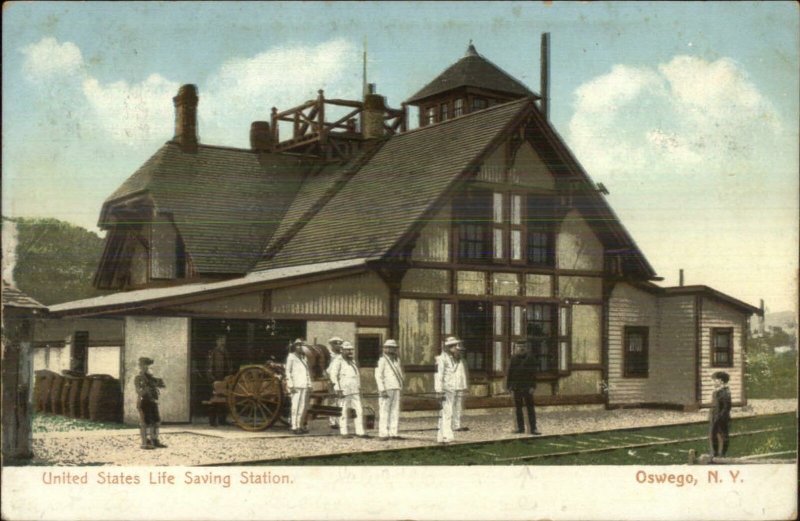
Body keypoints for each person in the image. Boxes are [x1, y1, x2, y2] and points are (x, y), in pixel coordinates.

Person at [434, 336, 468, 444]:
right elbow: (439, 375)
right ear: (448, 347)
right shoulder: (442, 359)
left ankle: (443, 436)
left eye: (456, 346)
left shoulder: (453, 359)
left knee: (447, 412)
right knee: (446, 412)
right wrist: (439, 390)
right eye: (453, 346)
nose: (456, 348)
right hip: (445, 388)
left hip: (452, 388)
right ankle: (445, 435)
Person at [334, 341, 369, 438]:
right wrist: (338, 389)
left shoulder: (353, 361)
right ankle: (344, 432)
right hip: (344, 390)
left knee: (359, 410)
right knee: (343, 411)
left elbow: (357, 376)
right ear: (342, 350)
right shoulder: (338, 361)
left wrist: (359, 387)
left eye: (351, 350)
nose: (350, 352)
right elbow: (333, 375)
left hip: (354, 390)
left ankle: (360, 432)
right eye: (347, 350)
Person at [506, 342, 541, 435]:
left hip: (527, 388)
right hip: (516, 387)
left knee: (530, 408)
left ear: (526, 348)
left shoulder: (531, 359)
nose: (521, 348)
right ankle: (520, 428)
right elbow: (509, 373)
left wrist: (533, 386)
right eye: (519, 346)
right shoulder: (513, 359)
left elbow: (534, 374)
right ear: (516, 348)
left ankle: (533, 429)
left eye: (523, 346)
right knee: (518, 409)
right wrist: (509, 386)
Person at [134, 357, 167, 450]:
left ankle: (154, 440)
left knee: (156, 422)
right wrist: (146, 387)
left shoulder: (153, 379)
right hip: (143, 402)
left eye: (150, 367)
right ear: (141, 367)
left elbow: (162, 386)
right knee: (144, 423)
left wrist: (156, 383)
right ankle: (144, 443)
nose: (148, 368)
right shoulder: (139, 378)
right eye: (146, 366)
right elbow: (139, 392)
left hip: (153, 402)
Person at [375, 339, 404, 440]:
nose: (391, 350)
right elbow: (378, 376)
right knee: (384, 411)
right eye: (389, 348)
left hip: (396, 387)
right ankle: (383, 433)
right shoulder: (381, 360)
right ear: (385, 349)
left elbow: (399, 374)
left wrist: (400, 386)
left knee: (395, 411)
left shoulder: (397, 360)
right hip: (386, 388)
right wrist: (382, 389)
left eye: (393, 348)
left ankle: (393, 433)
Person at [285, 339, 312, 435]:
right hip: (295, 385)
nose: (300, 347)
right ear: (294, 347)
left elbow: (307, 372)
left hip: (303, 385)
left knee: (302, 407)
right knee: (295, 407)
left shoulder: (303, 358)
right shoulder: (291, 357)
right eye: (298, 345)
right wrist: (290, 385)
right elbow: (288, 372)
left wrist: (309, 384)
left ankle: (299, 425)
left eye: (301, 345)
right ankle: (294, 426)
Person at [206, 335, 233, 427]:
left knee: (224, 400)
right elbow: (209, 367)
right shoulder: (213, 352)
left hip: (224, 379)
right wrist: (212, 379)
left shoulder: (226, 352)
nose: (223, 342)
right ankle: (212, 421)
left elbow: (229, 365)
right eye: (221, 340)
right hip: (215, 379)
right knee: (214, 400)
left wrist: (229, 376)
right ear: (217, 341)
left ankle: (222, 420)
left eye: (224, 340)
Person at [709, 371, 732, 458]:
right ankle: (714, 454)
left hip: (722, 418)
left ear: (721, 381)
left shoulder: (725, 392)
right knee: (713, 435)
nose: (713, 382)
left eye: (715, 380)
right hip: (714, 417)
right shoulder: (716, 392)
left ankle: (722, 454)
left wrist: (719, 417)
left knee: (723, 436)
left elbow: (726, 407)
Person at [325, 337, 344, 429]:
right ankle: (332, 421)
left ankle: (339, 421)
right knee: (332, 401)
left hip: (341, 380)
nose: (339, 346)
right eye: (336, 344)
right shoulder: (328, 355)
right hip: (331, 379)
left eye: (340, 344)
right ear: (332, 345)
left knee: (340, 401)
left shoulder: (341, 355)